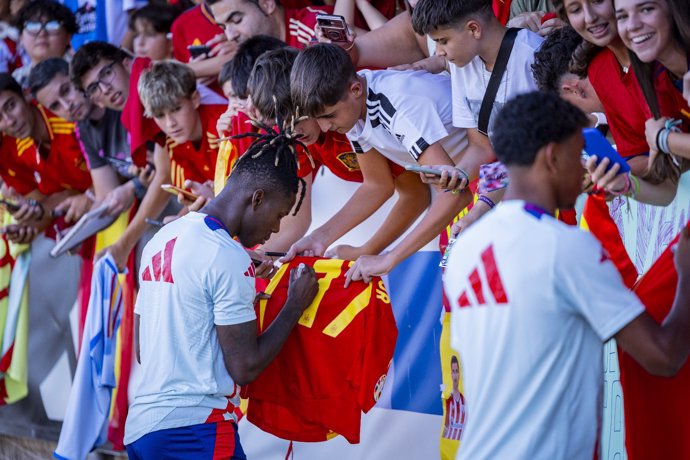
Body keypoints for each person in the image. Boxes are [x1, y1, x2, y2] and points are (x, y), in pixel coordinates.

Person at [443, 91, 690, 459]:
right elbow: (663, 356)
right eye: (580, 155)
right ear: (552, 156)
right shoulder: (565, 246)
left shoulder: (465, 248)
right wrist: (683, 272)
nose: (586, 170)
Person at [124, 128, 319, 459]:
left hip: (142, 431)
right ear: (257, 198)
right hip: (194, 429)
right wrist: (294, 304)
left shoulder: (163, 237)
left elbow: (145, 348)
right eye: (278, 216)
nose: (274, 230)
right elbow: (245, 367)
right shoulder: (227, 255)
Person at [288, 44, 470, 283]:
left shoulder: (396, 107)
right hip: (473, 176)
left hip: (495, 174)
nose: (324, 128)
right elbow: (377, 185)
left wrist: (389, 258)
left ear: (355, 90)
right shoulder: (355, 104)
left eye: (329, 116)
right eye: (318, 119)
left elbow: (455, 194)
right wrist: (319, 237)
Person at [248, 47, 430, 256]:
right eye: (284, 127)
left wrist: (368, 250)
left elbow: (414, 194)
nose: (294, 132)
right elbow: (297, 217)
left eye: (298, 119)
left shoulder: (348, 116)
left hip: (444, 188)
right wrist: (262, 254)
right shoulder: (294, 136)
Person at [411, 0, 543, 232]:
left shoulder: (533, 56)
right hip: (508, 196)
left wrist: (480, 208)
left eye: (443, 41)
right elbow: (481, 145)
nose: (439, 53)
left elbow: (541, 151)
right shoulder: (462, 65)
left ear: (474, 29)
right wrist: (458, 172)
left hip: (550, 196)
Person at [28, 58, 148, 217]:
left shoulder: (119, 98)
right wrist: (76, 230)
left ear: (78, 79)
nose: (66, 106)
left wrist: (132, 187)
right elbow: (105, 195)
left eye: (66, 90)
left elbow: (162, 169)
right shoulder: (83, 129)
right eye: (55, 106)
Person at [138, 61, 226, 193]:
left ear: (195, 99)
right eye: (159, 115)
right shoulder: (174, 143)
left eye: (176, 109)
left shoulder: (224, 126)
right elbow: (192, 199)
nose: (170, 124)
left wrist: (213, 199)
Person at [207, 0, 332, 50]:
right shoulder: (255, 52)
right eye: (223, 27)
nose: (230, 36)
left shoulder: (316, 26)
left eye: (236, 20)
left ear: (267, 4)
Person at [13, 0, 77, 90]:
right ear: (21, 37)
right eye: (33, 26)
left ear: (68, 36)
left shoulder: (80, 71)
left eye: (52, 25)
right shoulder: (16, 80)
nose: (42, 33)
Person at [441, 355, 466, 441]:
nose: (455, 375)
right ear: (451, 374)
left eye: (457, 371)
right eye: (453, 372)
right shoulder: (448, 401)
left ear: (459, 374)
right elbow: (446, 428)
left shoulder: (464, 401)